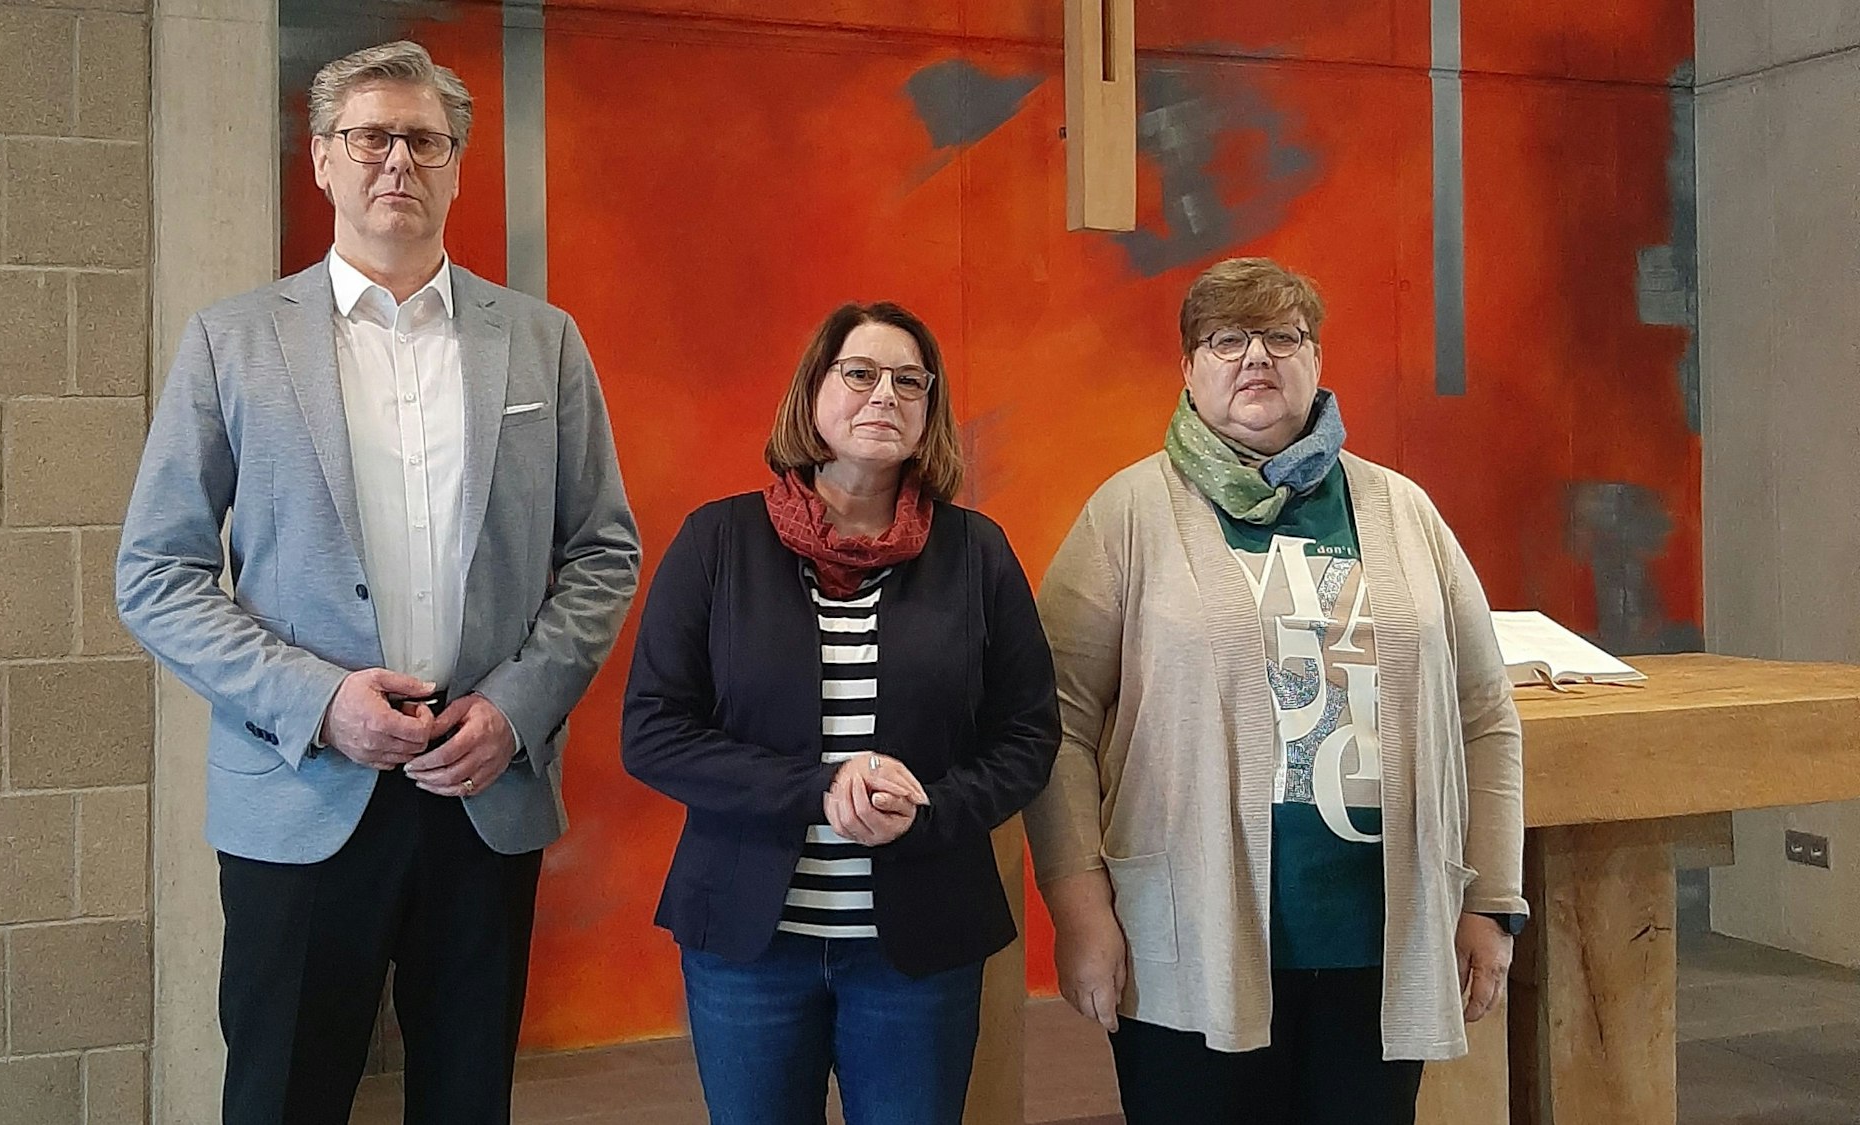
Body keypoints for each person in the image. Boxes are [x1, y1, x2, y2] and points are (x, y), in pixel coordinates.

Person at [116, 40, 640, 1125]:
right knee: (283, 1098)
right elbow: (156, 574)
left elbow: (603, 552)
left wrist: (516, 707)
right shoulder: (233, 342)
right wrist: (319, 702)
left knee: (464, 1098)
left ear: (454, 166)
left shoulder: (541, 344)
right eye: (370, 137)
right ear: (320, 160)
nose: (396, 160)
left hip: (480, 788)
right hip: (300, 792)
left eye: (424, 140)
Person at [1024, 258, 1527, 1125]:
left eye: (1282, 337)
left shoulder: (1402, 510)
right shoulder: (1130, 513)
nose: (1256, 356)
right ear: (1188, 369)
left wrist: (1490, 901)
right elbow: (1056, 721)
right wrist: (1079, 909)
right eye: (1226, 340)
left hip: (1382, 940)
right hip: (1191, 938)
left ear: (1316, 359)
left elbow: (1487, 718)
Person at [621, 301, 1060, 1125]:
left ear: (930, 410)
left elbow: (1028, 735)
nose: (883, 394)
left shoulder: (977, 553)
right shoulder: (719, 542)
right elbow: (653, 732)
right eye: (859, 373)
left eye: (909, 381)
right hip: (750, 946)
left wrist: (932, 808)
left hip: (920, 952)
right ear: (812, 394)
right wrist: (816, 787)